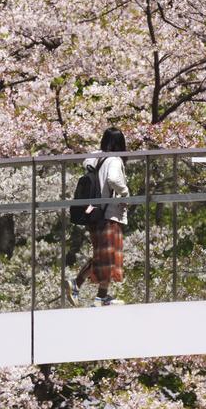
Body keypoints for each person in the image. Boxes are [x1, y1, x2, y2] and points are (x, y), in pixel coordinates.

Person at [66, 127, 130, 307]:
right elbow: (114, 179)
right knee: (109, 256)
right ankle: (93, 293)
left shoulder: (94, 158)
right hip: (109, 214)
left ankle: (93, 292)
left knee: (103, 255)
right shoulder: (114, 160)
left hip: (94, 213)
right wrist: (125, 193)